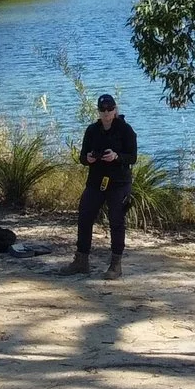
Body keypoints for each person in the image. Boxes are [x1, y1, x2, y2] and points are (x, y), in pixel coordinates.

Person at [69, 93, 137, 278]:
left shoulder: (125, 130)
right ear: (98, 112)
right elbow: (82, 156)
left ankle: (116, 264)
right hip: (96, 181)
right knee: (85, 216)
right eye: (102, 110)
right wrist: (88, 158)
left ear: (115, 110)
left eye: (109, 109)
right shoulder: (92, 130)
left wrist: (117, 157)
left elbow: (133, 157)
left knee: (116, 220)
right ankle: (81, 260)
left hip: (119, 182)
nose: (106, 113)